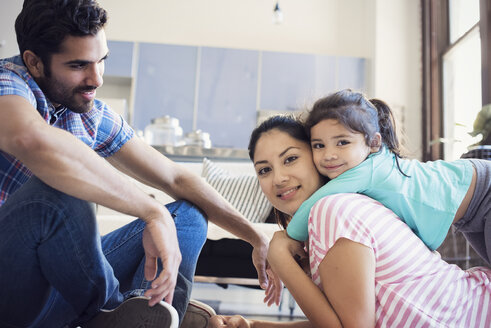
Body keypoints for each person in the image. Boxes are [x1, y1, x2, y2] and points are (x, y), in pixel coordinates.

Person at [0, 1, 279, 327]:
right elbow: (29, 139)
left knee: (189, 214)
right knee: (59, 190)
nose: (96, 79)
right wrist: (150, 210)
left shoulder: (89, 112)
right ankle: (114, 311)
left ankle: (154, 310)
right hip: (12, 287)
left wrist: (256, 238)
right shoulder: (8, 83)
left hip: (60, 290)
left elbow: (177, 179)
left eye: (101, 61)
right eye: (78, 65)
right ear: (34, 62)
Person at [209, 115, 491, 327]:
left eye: (291, 159)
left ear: (319, 157)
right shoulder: (324, 220)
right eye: (264, 170)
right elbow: (343, 321)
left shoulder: (333, 211)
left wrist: (279, 254)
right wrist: (255, 326)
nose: (279, 178)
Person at [286, 89, 491, 267]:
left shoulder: (366, 171)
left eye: (342, 143)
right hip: (471, 213)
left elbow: (316, 204)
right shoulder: (374, 162)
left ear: (374, 143)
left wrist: (288, 237)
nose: (329, 154)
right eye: (319, 145)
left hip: (485, 192)